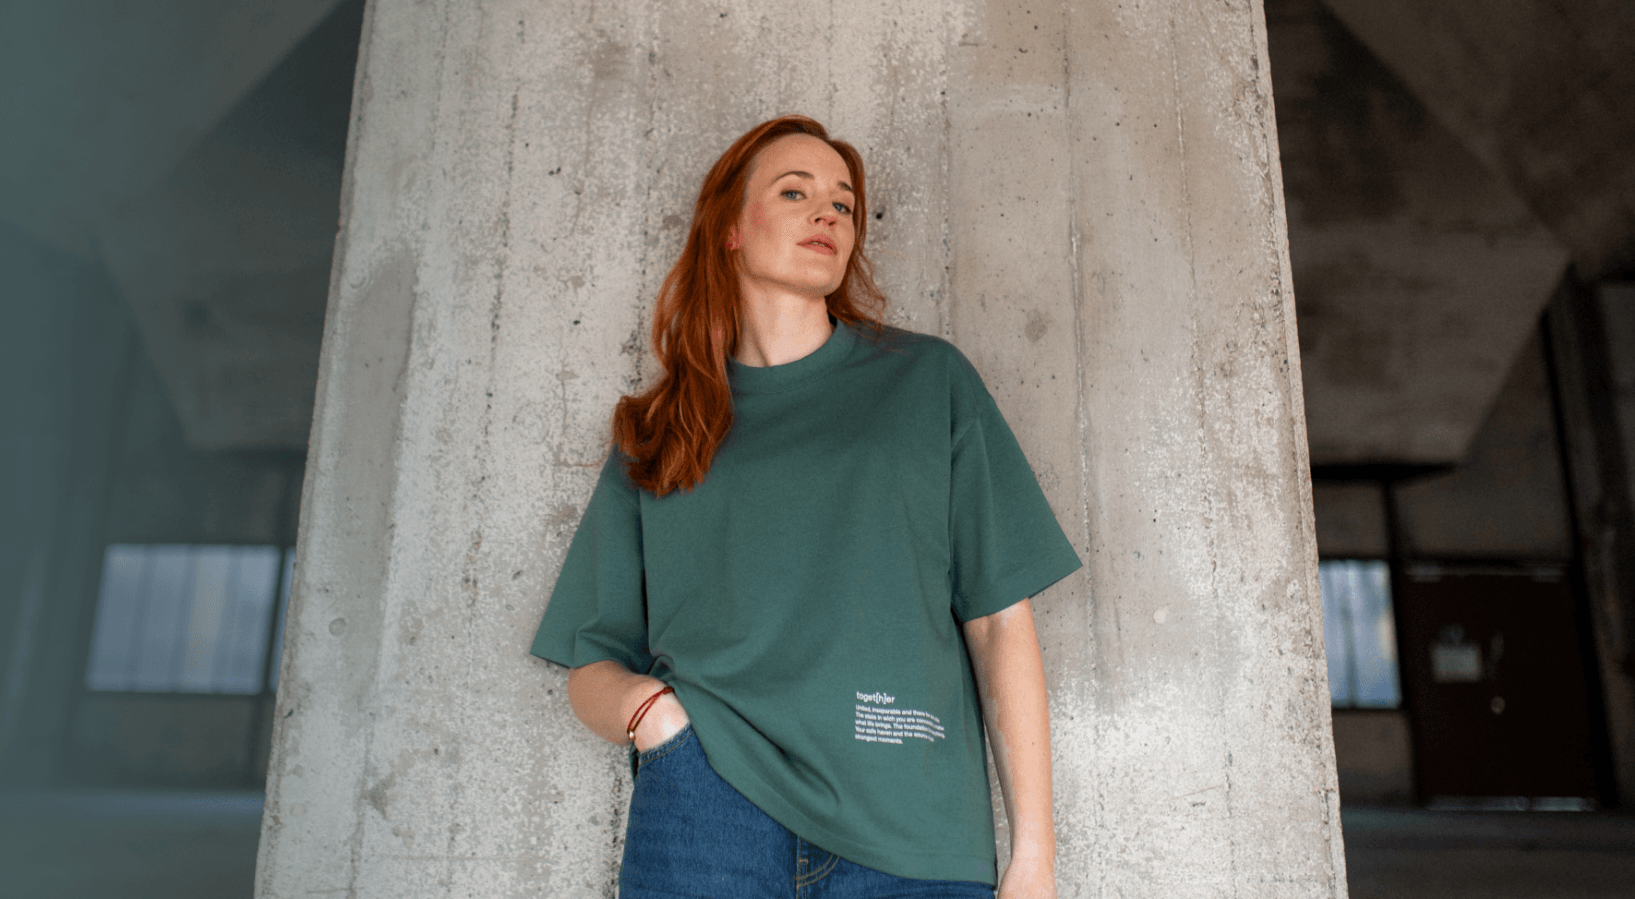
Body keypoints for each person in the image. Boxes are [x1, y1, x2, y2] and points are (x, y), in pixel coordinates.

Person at [531, 115, 1081, 899]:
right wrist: (652, 715)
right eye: (795, 191)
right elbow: (590, 655)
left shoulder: (927, 383)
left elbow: (997, 620)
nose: (828, 213)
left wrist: (1035, 856)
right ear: (728, 227)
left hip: (908, 828)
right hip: (704, 813)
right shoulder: (660, 430)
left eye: (845, 204)